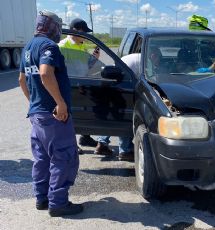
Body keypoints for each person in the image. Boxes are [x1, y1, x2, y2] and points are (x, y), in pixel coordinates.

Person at [18, 10, 83, 217]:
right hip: (54, 115)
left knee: (42, 159)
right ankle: (58, 203)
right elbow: (45, 73)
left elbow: (22, 80)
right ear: (52, 26)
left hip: (37, 115)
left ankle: (42, 198)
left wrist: (34, 102)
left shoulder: (28, 47)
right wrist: (60, 103)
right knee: (63, 157)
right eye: (58, 26)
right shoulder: (49, 46)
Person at [59, 18, 100, 148]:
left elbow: (85, 66)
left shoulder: (81, 45)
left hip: (82, 84)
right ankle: (71, 143)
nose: (86, 35)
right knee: (69, 116)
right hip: (70, 86)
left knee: (84, 112)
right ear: (75, 31)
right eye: (84, 32)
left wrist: (94, 58)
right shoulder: (62, 46)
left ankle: (85, 137)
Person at [94, 53, 141, 161]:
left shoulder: (138, 56)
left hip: (113, 82)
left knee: (113, 115)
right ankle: (125, 151)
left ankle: (102, 144)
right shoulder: (144, 61)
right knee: (125, 117)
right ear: (154, 55)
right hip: (123, 86)